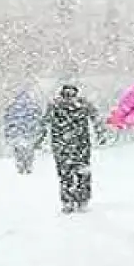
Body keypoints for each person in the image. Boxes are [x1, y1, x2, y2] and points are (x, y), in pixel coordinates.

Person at [46, 84, 101, 213]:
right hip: (81, 145)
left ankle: (68, 200)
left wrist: (39, 139)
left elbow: (43, 122)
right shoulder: (83, 105)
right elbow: (96, 119)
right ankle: (82, 199)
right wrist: (100, 133)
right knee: (82, 172)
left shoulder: (55, 106)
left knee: (65, 174)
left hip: (61, 145)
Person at [4, 89, 45, 174]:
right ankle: (28, 165)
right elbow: (38, 119)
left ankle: (21, 165)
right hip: (29, 133)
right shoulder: (33, 106)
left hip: (17, 133)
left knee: (19, 150)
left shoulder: (13, 107)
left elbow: (8, 120)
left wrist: (9, 132)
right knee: (29, 150)